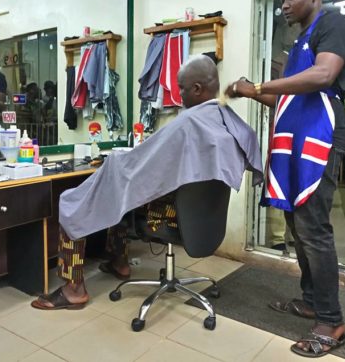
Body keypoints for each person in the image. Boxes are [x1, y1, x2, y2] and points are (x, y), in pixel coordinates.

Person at [30, 55, 263, 310]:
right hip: (201, 216)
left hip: (169, 216)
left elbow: (138, 167)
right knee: (122, 194)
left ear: (196, 89)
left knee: (73, 201)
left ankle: (73, 289)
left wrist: (116, 162)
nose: (179, 96)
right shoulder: (226, 120)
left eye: (181, 89)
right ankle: (119, 262)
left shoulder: (188, 123)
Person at [224, 0, 345, 357]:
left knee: (314, 228)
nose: (283, 5)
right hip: (295, 138)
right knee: (299, 226)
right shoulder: (300, 39)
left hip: (320, 138)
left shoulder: (334, 24)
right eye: (281, 0)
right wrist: (252, 93)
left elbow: (324, 74)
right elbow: (287, 99)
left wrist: (260, 85)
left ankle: (331, 322)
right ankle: (312, 300)